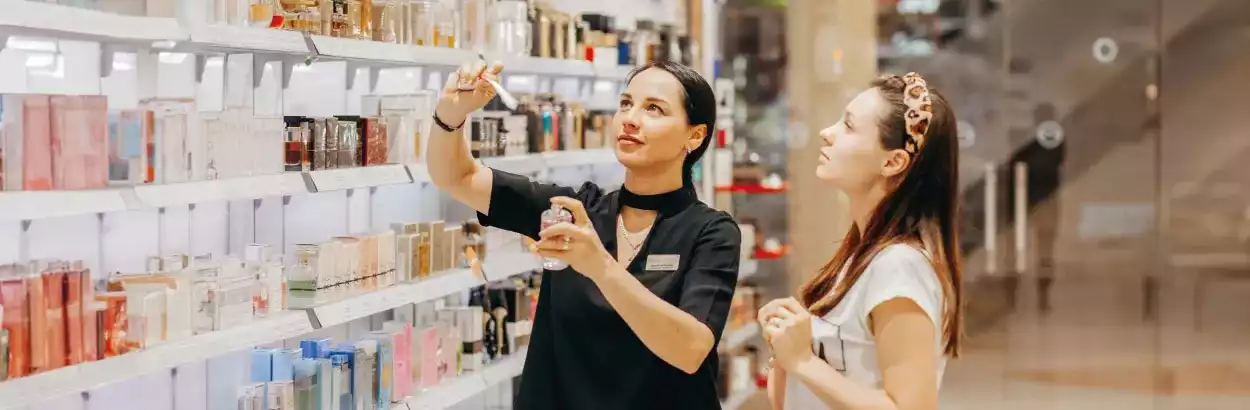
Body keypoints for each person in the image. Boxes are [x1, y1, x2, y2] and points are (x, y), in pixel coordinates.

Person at [427, 59, 742, 410]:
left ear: (694, 135)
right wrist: (449, 116)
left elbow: (691, 350)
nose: (630, 118)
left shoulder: (711, 232)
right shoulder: (573, 209)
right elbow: (458, 177)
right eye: (626, 103)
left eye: (654, 108)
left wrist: (600, 267)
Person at [757, 73, 964, 410]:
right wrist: (786, 351)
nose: (827, 133)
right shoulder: (860, 255)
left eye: (849, 126)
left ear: (893, 161)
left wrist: (803, 362)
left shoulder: (900, 265)